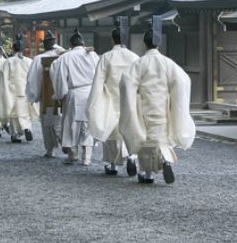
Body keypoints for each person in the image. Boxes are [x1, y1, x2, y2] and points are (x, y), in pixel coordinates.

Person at [119, 18, 195, 185]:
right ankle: (165, 161)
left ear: (144, 44)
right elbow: (182, 82)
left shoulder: (139, 63)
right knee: (161, 138)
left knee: (146, 140)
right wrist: (173, 98)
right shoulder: (169, 63)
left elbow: (126, 83)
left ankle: (147, 174)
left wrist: (133, 97)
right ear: (158, 44)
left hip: (143, 105)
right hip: (163, 105)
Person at [86, 20, 138, 176]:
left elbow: (98, 81)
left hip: (110, 97)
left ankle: (112, 164)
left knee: (110, 132)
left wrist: (93, 103)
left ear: (112, 39)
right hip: (130, 98)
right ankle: (131, 155)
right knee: (130, 128)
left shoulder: (106, 57)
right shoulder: (134, 57)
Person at [50, 30, 99, 166]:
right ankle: (87, 157)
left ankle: (73, 154)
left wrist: (60, 94)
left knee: (71, 125)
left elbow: (59, 76)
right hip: (91, 92)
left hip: (74, 93)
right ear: (83, 44)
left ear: (71, 45)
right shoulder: (93, 55)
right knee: (88, 125)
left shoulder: (66, 57)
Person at [26, 31, 65, 158]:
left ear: (44, 45)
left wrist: (34, 96)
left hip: (47, 96)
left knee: (47, 123)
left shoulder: (38, 59)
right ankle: (66, 145)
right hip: (63, 96)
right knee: (62, 122)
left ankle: (50, 149)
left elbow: (33, 80)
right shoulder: (62, 56)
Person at [0, 34, 37, 144]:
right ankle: (27, 128)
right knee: (26, 113)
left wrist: (4, 91)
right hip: (25, 90)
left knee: (14, 115)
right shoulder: (29, 61)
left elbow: (4, 78)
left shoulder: (8, 62)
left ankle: (15, 135)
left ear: (13, 49)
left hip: (12, 91)